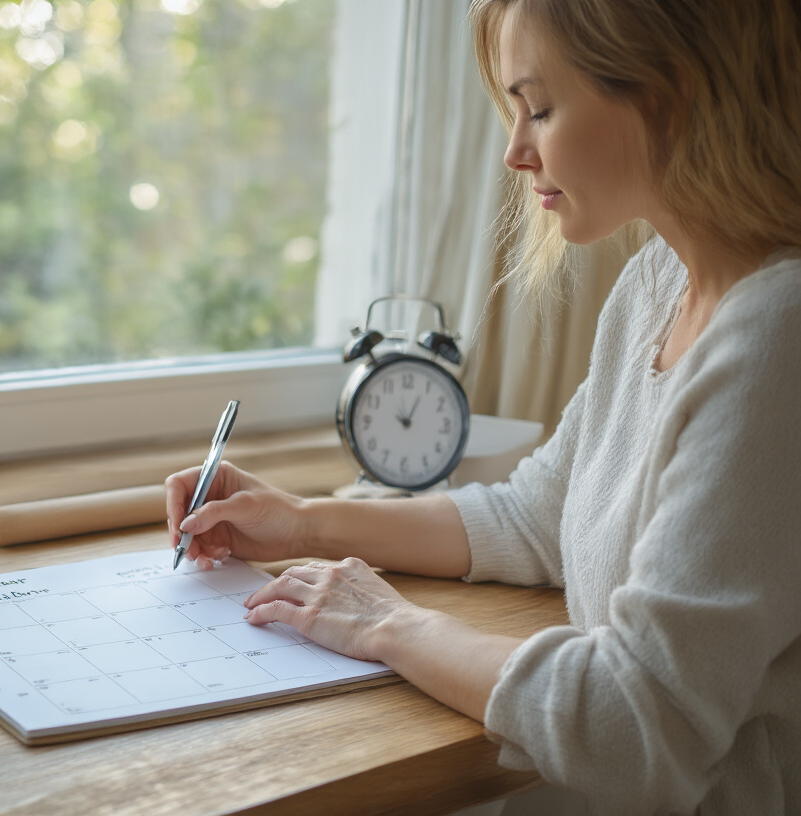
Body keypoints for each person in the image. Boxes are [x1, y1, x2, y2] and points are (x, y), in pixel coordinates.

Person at [165, 1, 801, 813]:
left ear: (668, 93)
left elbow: (637, 723)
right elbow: (537, 517)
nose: (515, 151)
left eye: (539, 107)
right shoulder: (656, 287)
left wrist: (390, 626)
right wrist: (302, 521)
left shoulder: (778, 334)